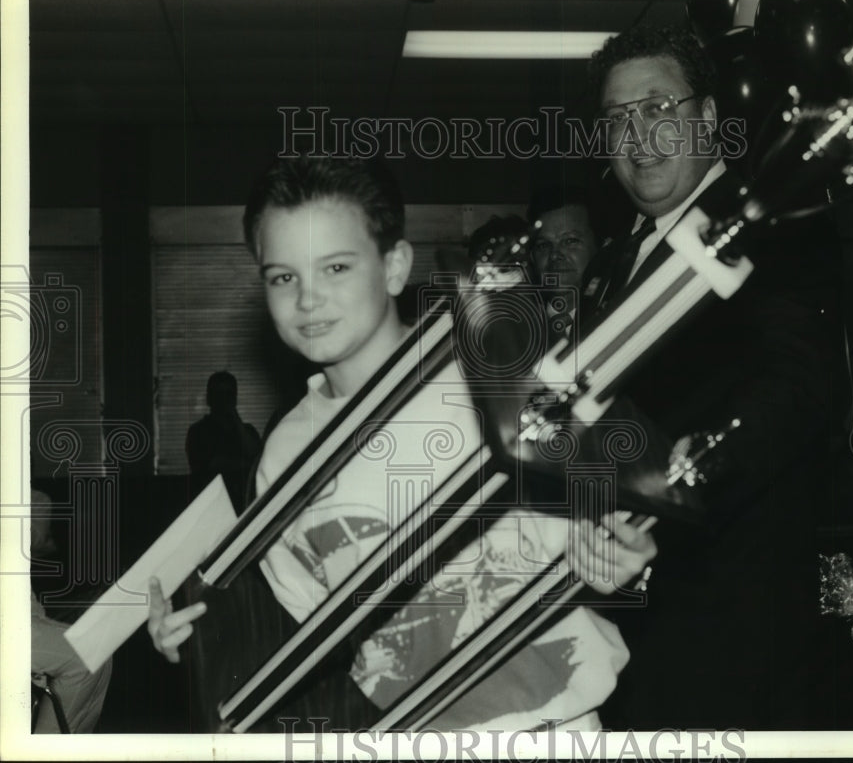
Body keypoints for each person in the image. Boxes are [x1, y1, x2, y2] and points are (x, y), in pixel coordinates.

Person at [148, 156, 656, 731]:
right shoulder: (283, 455)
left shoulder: (490, 376)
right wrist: (205, 636)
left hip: (551, 731)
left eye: (335, 267)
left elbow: (602, 536)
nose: (307, 299)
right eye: (283, 276)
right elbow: (305, 635)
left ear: (394, 267)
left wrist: (621, 560)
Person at [582, 24, 843, 729]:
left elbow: (798, 389)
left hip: (727, 623)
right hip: (622, 618)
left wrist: (673, 486)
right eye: (618, 119)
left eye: (659, 109)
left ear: (708, 120)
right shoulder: (611, 260)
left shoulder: (771, 228)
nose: (639, 136)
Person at [30, 489, 113, 733]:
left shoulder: (37, 500)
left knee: (101, 652)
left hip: (26, 616)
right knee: (87, 656)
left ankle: (68, 748)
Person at [526, 182, 603, 341]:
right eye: (544, 245)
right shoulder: (517, 330)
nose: (555, 255)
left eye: (570, 241)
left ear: (601, 247)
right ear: (532, 257)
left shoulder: (614, 320)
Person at [186, 370, 262, 510]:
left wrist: (236, 420)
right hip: (210, 506)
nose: (223, 400)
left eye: (229, 394)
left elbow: (257, 461)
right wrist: (243, 464)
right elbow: (208, 466)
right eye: (218, 394)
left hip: (243, 506)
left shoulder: (247, 430)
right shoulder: (197, 431)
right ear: (209, 398)